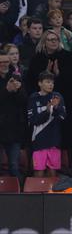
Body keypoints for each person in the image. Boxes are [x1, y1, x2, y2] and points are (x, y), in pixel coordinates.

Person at [25, 29, 72, 151]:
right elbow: (31, 80)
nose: (54, 42)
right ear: (44, 42)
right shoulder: (37, 58)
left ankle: (68, 163)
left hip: (64, 98)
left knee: (68, 130)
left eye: (56, 40)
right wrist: (47, 74)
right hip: (41, 100)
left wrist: (58, 74)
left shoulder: (67, 56)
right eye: (51, 40)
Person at [27, 71, 65, 178]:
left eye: (52, 83)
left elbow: (62, 117)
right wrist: (47, 111)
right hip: (39, 140)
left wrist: (56, 108)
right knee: (39, 171)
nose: (50, 85)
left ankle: (51, 194)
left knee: (52, 172)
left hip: (54, 140)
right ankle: (37, 193)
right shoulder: (33, 98)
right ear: (40, 83)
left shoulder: (57, 97)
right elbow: (32, 121)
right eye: (48, 82)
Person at [0, 49, 26, 177]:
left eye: (6, 62)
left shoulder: (15, 76)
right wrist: (6, 90)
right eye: (1, 62)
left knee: (14, 165)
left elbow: (24, 101)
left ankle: (19, 194)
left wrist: (17, 90)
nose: (4, 64)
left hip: (14, 128)